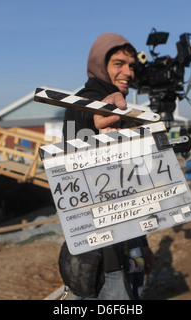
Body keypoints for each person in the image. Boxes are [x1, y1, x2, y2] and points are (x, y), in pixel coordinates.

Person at [61, 33, 154, 300]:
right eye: (118, 63)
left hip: (131, 243)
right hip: (106, 255)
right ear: (100, 64)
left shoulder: (121, 109)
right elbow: (82, 126)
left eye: (132, 65)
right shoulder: (83, 103)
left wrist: (142, 244)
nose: (128, 72)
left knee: (136, 292)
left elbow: (130, 183)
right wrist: (94, 123)